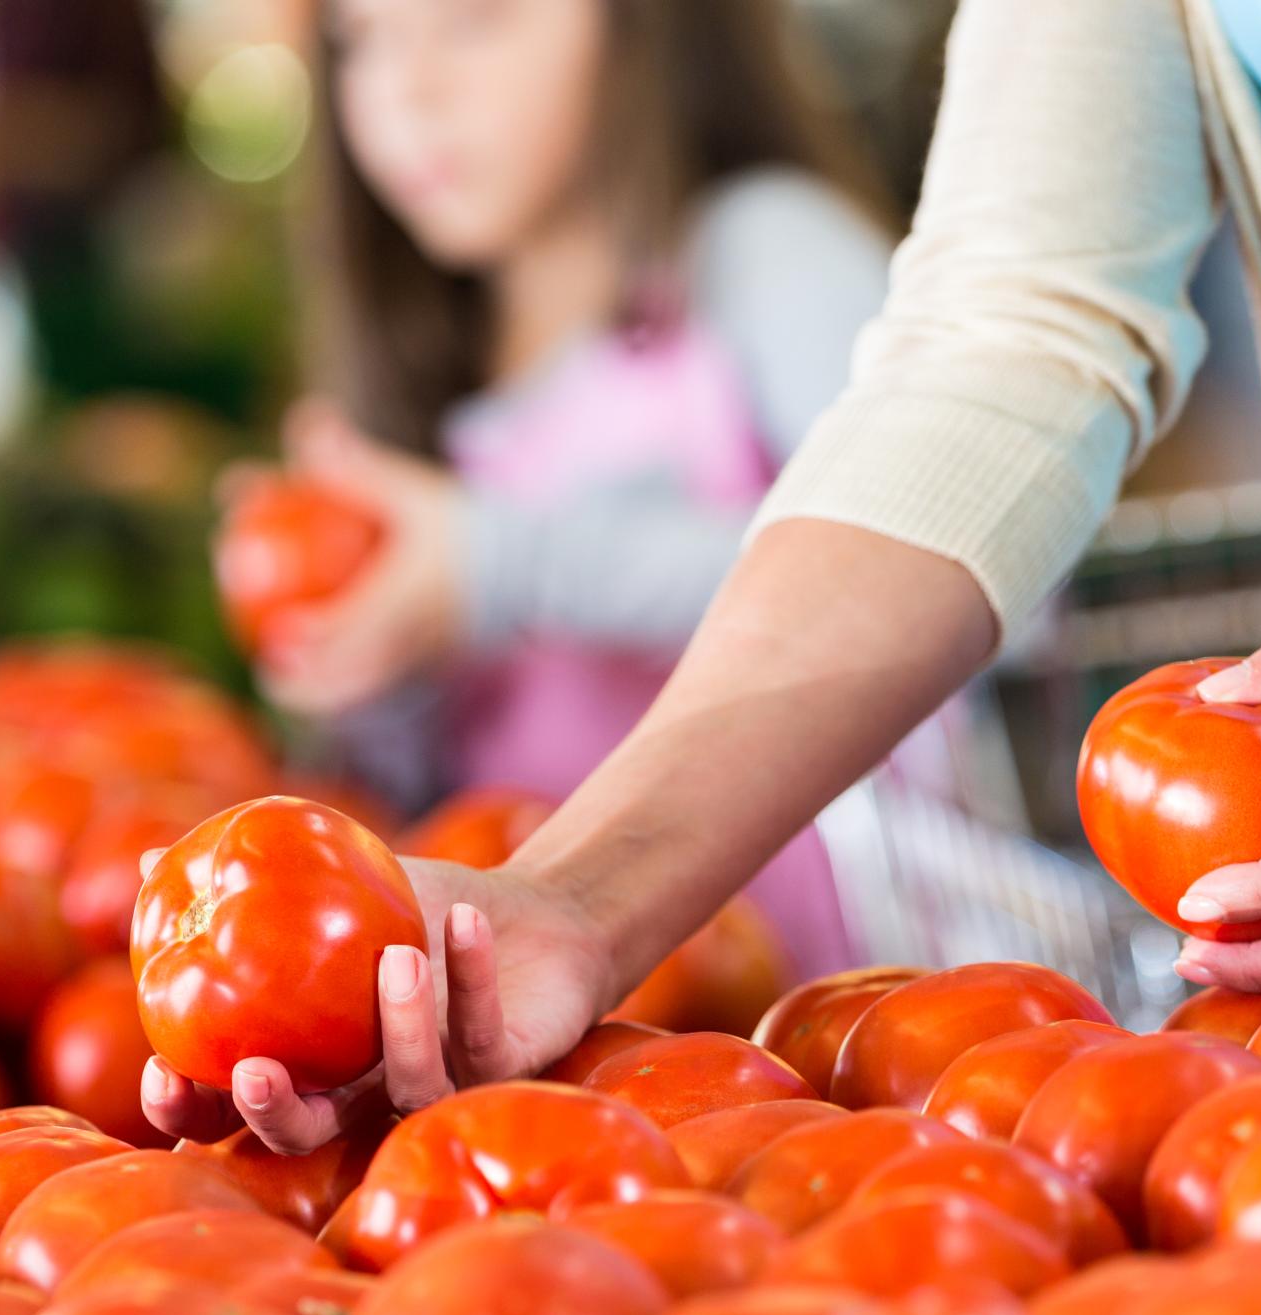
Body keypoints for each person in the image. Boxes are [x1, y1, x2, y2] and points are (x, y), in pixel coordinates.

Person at [145, 0, 1261, 1153]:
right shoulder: (427, 363)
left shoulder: (753, 253)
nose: (415, 85)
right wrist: (572, 899)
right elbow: (1015, 336)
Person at [241, 0, 900, 979]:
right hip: (566, 1034)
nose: (407, 91)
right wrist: (377, 670)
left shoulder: (764, 252)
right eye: (361, 39)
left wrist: (495, 564)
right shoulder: (423, 385)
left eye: (472, 21)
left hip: (841, 1000)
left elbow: (914, 555)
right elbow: (433, 786)